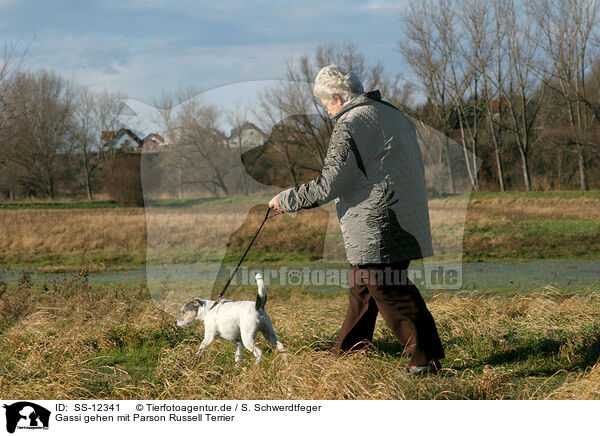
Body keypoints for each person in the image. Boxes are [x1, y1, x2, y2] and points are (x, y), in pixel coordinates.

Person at [268, 64, 445, 375]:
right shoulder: (392, 113)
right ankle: (347, 356)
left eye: (325, 104)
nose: (327, 112)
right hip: (406, 215)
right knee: (363, 290)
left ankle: (425, 360)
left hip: (378, 222)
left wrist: (287, 199)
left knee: (390, 288)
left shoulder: (351, 122)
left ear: (337, 97)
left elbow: (330, 183)